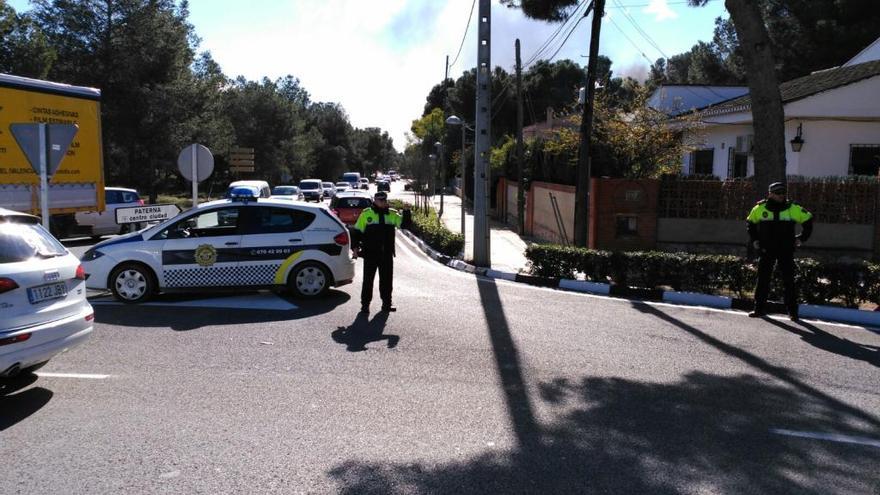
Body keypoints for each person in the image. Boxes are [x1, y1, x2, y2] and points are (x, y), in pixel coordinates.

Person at [746, 181, 814, 320]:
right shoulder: (760, 208)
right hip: (767, 249)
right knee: (763, 280)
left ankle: (793, 313)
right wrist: (755, 240)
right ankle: (759, 309)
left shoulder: (792, 208)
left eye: (783, 193)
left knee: (788, 281)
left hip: (786, 249)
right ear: (770, 194)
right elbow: (750, 223)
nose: (781, 195)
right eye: (778, 193)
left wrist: (801, 238)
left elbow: (808, 221)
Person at [351, 191, 402, 313]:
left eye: (384, 200)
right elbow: (357, 231)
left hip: (386, 254)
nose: (382, 202)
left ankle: (387, 304)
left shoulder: (392, 214)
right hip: (370, 253)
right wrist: (355, 247)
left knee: (386, 281)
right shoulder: (366, 214)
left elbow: (405, 224)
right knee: (368, 280)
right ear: (374, 201)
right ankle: (365, 305)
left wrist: (407, 212)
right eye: (380, 200)